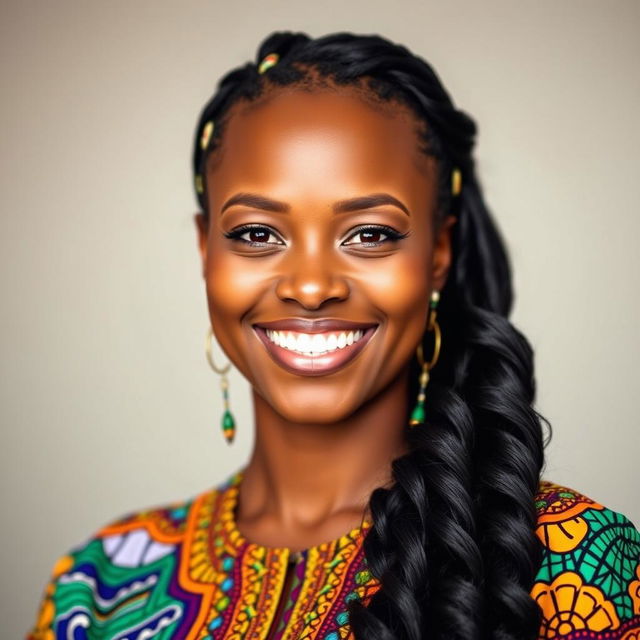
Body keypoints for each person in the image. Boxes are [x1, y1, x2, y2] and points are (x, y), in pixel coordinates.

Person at [26, 30, 640, 640]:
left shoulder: (571, 564)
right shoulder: (97, 587)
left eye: (370, 233)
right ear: (205, 250)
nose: (312, 286)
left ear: (439, 254)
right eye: (257, 234)